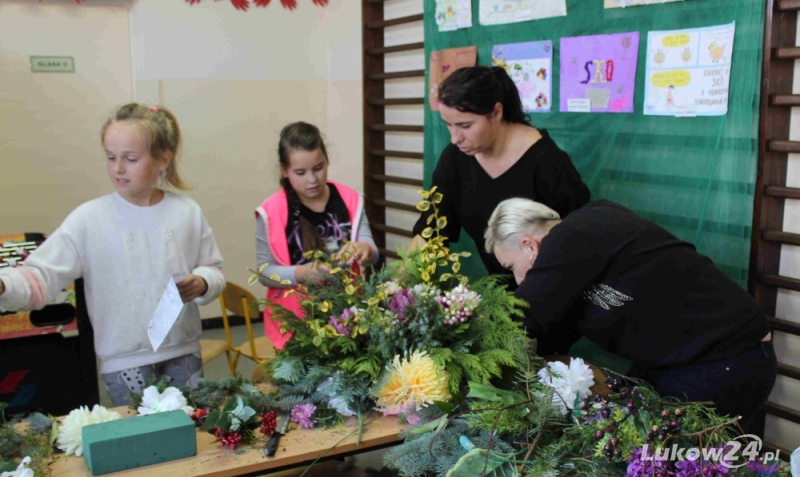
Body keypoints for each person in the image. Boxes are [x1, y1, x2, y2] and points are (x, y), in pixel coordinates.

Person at [484, 198, 776, 431]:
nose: (519, 281)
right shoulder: (574, 261)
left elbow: (525, 313)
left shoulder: (576, 231)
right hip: (681, 362)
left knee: (656, 454)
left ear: (529, 245)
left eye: (511, 267)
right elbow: (551, 328)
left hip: (729, 358)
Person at [0, 103, 225, 406]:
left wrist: (203, 282)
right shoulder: (90, 219)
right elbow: (41, 275)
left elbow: (212, 267)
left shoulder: (187, 212)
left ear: (162, 159)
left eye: (130, 159)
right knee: (140, 441)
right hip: (123, 360)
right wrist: (4, 285)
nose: (118, 168)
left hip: (182, 350)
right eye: (111, 157)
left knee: (190, 432)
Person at [410, 66, 590, 278]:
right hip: (500, 298)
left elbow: (580, 243)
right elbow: (430, 234)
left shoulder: (547, 162)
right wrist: (390, 288)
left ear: (496, 112)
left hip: (551, 288)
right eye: (449, 125)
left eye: (465, 126)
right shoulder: (455, 158)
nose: (455, 138)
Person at [255, 122, 379, 349]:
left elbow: (372, 251)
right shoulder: (271, 211)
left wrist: (364, 249)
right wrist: (301, 273)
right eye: (300, 173)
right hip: (295, 327)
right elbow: (264, 273)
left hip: (348, 318)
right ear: (284, 170)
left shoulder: (349, 199)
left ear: (327, 160)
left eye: (318, 168)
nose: (312, 179)